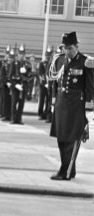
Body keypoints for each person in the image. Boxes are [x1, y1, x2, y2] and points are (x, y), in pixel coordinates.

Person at [50, 32, 94, 180]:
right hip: (62, 104)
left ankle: (65, 171)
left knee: (72, 140)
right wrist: (53, 102)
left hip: (76, 106)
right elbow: (56, 83)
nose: (67, 51)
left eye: (69, 48)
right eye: (65, 48)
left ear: (76, 46)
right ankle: (68, 169)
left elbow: (89, 87)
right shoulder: (61, 59)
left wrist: (88, 109)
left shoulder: (85, 61)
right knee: (61, 138)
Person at [8, 44, 32, 125]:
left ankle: (19, 118)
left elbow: (30, 75)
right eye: (20, 54)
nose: (21, 56)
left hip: (23, 86)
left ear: (24, 55)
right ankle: (13, 119)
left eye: (23, 54)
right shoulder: (14, 63)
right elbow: (10, 76)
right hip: (16, 86)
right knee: (14, 103)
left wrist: (26, 73)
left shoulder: (27, 64)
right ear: (18, 55)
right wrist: (15, 85)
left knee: (21, 104)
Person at [38, 46, 53, 120]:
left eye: (49, 55)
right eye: (47, 55)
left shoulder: (52, 63)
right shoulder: (42, 63)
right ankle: (41, 113)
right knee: (42, 99)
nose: (48, 56)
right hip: (43, 84)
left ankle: (47, 113)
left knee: (48, 100)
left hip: (49, 84)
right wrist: (44, 83)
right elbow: (41, 74)